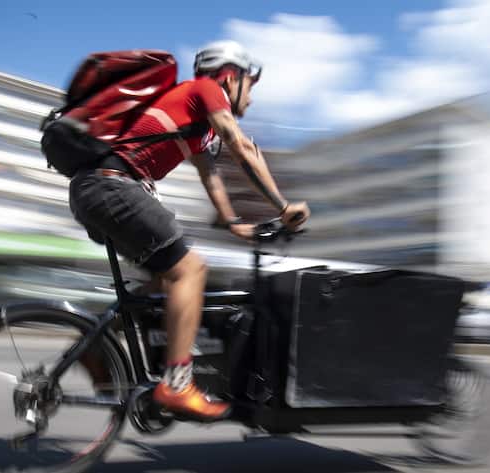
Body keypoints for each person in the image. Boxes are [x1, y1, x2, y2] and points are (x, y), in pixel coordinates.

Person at [66, 40, 310, 421]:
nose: (252, 98)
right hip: (112, 186)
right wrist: (284, 205)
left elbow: (210, 175)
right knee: (191, 270)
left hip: (96, 189)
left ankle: (92, 347)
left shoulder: (197, 123)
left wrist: (233, 224)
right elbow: (240, 146)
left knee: (167, 283)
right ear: (231, 77)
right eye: (251, 85)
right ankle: (177, 383)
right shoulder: (206, 90)